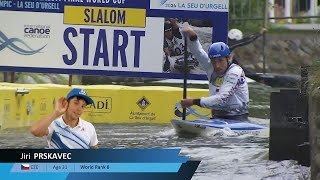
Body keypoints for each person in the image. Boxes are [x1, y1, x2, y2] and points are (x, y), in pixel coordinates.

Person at [180, 27, 249, 121]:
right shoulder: (211, 67)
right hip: (217, 117)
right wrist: (193, 37)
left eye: (220, 60)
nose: (217, 65)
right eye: (213, 61)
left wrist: (193, 101)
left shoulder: (235, 72)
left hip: (237, 118)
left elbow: (221, 99)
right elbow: (198, 52)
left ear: (228, 58)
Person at [30, 88, 99, 149]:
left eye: (83, 106)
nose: (79, 109)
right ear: (66, 103)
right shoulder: (53, 125)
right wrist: (56, 113)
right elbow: (35, 131)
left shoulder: (89, 127)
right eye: (76, 103)